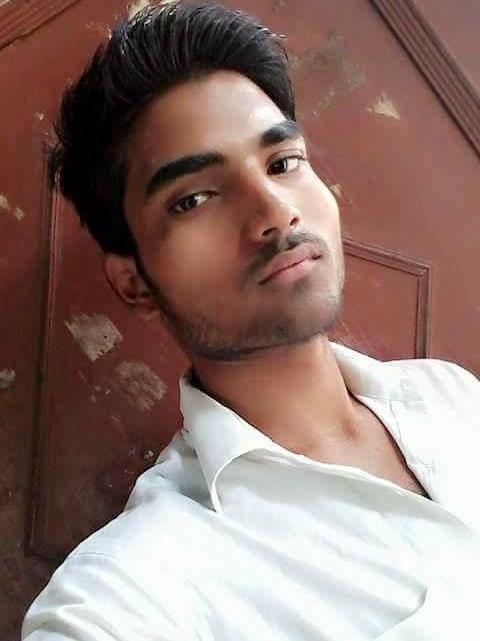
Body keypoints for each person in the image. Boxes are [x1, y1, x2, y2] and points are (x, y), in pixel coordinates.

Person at [22, 1, 479, 639]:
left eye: (282, 163)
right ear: (133, 281)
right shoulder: (138, 590)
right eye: (194, 199)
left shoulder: (451, 396)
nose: (274, 211)